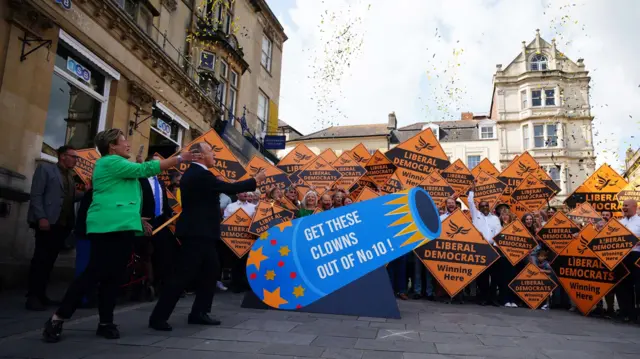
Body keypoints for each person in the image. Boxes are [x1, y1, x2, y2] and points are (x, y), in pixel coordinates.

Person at [42, 129, 198, 343]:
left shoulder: (118, 166)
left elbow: (121, 198)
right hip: (106, 227)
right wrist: (180, 158)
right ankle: (57, 318)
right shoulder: (109, 162)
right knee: (93, 273)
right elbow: (145, 169)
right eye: (123, 141)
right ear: (112, 146)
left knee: (114, 277)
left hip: (123, 227)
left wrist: (137, 219)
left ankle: (106, 322)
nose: (128, 144)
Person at [148, 142, 266, 331]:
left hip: (205, 233)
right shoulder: (200, 174)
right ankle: (158, 317)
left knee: (211, 271)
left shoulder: (198, 174)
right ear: (200, 156)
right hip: (196, 234)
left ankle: (199, 312)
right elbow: (230, 188)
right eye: (211, 152)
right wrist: (255, 179)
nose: (214, 156)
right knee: (182, 276)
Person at [26, 146, 82, 311]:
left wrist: (88, 192)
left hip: (62, 225)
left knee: (49, 261)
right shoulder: (46, 169)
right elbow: (36, 194)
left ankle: (42, 294)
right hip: (47, 222)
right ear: (63, 156)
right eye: (74, 157)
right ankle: (32, 296)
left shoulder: (70, 177)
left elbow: (70, 197)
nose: (76, 160)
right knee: (40, 260)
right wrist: (41, 217)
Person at [137, 154, 177, 296]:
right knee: (145, 253)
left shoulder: (160, 182)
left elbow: (164, 203)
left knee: (165, 252)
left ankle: (162, 283)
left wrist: (170, 213)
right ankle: (145, 283)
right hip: (145, 221)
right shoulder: (139, 180)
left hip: (160, 222)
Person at [468, 183, 502, 306]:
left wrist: (493, 242)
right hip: (481, 248)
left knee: (495, 275)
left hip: (493, 248)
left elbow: (498, 232)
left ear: (489, 206)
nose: (485, 207)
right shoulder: (476, 215)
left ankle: (493, 298)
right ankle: (483, 297)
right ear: (479, 207)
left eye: (486, 205)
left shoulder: (495, 218)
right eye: (482, 206)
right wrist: (472, 191)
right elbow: (470, 203)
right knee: (482, 275)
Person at [616, 199, 640, 323]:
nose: (624, 207)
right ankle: (626, 312)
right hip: (621, 257)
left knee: (638, 285)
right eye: (623, 205)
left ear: (634, 207)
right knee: (623, 285)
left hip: (636, 256)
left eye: (626, 205)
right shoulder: (619, 223)